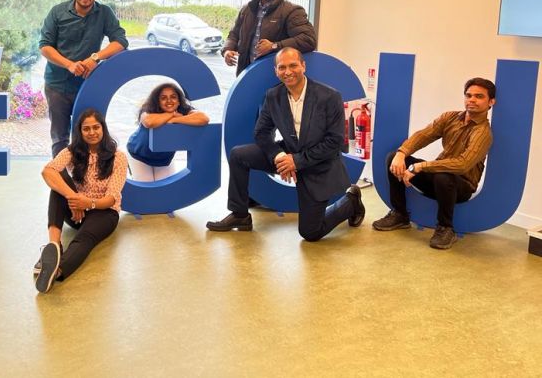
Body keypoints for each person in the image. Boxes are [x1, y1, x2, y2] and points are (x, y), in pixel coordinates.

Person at [207, 47, 364, 241]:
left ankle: (351, 201)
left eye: (293, 65)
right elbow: (262, 132)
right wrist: (279, 156)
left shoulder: (329, 96)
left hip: (318, 163)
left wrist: (296, 162)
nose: (287, 71)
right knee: (239, 155)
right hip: (288, 154)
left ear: (303, 66)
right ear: (276, 71)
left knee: (310, 233)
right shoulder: (273, 95)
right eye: (282, 67)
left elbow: (334, 142)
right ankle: (240, 215)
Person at [372, 78, 496, 250]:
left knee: (444, 176)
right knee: (393, 158)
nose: (472, 100)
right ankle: (400, 214)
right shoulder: (450, 117)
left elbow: (462, 165)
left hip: (461, 186)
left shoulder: (483, 133)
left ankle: (446, 228)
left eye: (479, 96)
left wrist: (420, 167)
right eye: (468, 95)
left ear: (491, 102)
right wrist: (402, 153)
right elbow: (424, 135)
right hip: (438, 179)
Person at [34, 108, 128, 293]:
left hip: (104, 212)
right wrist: (74, 197)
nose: (92, 132)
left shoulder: (118, 157)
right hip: (77, 207)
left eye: (96, 127)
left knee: (83, 239)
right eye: (86, 129)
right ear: (80, 131)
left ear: (103, 128)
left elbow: (111, 199)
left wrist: (89, 203)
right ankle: (54, 245)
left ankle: (57, 270)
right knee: (58, 182)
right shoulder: (72, 151)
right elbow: (47, 171)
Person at [39, 0, 128, 157]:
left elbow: (120, 42)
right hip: (57, 86)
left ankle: (86, 181)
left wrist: (95, 58)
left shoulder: (104, 13)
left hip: (88, 86)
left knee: (89, 137)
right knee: (59, 138)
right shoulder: (57, 12)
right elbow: (45, 46)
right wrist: (69, 64)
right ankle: (61, 182)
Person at [222, 0, 317, 76]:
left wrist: (274, 46)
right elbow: (233, 35)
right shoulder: (247, 9)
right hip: (246, 76)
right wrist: (227, 50)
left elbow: (308, 40)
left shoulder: (292, 11)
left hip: (274, 78)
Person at [127, 83, 210, 182]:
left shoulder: (183, 109)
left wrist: (174, 120)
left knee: (164, 192)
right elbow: (149, 122)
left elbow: (204, 118)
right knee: (146, 189)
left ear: (179, 101)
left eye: (173, 97)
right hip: (138, 156)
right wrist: (172, 114)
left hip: (164, 159)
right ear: (158, 101)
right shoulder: (148, 108)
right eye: (163, 98)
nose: (169, 101)